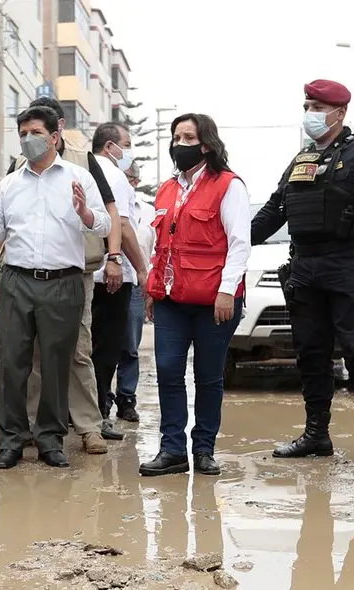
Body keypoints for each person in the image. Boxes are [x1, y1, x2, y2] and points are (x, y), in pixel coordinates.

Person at [251, 80, 354, 473]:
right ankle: (316, 435)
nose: (310, 112)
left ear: (339, 113)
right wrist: (234, 240)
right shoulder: (302, 159)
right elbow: (276, 209)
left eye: (317, 106)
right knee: (310, 353)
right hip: (304, 267)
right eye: (307, 104)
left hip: (348, 263)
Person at [0, 105, 111, 469]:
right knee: (12, 363)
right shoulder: (9, 183)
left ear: (54, 136)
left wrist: (85, 214)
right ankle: (12, 440)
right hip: (18, 280)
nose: (27, 140)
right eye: (23, 133)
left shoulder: (78, 177)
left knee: (56, 362)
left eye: (35, 132)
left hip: (63, 282)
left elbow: (102, 224)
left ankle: (51, 439)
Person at [138, 113, 251, 477]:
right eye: (175, 137)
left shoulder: (228, 185)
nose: (179, 144)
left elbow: (239, 244)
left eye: (188, 137)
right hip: (172, 300)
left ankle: (204, 450)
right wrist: (154, 290)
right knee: (168, 372)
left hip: (213, 302)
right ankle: (172, 450)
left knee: (208, 376)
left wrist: (227, 292)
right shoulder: (167, 190)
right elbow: (161, 246)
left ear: (206, 144)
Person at [89, 122, 149, 425]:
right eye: (125, 144)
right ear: (110, 146)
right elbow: (122, 226)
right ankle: (98, 413)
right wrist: (141, 268)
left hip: (85, 274)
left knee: (83, 349)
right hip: (112, 276)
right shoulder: (113, 174)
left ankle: (82, 413)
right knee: (106, 350)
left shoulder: (80, 170)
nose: (127, 152)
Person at [114, 162, 156, 419]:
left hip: (136, 285)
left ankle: (126, 399)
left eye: (128, 178)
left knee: (129, 346)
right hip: (106, 281)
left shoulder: (149, 213)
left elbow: (157, 249)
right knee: (100, 345)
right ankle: (100, 401)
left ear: (135, 182)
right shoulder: (107, 208)